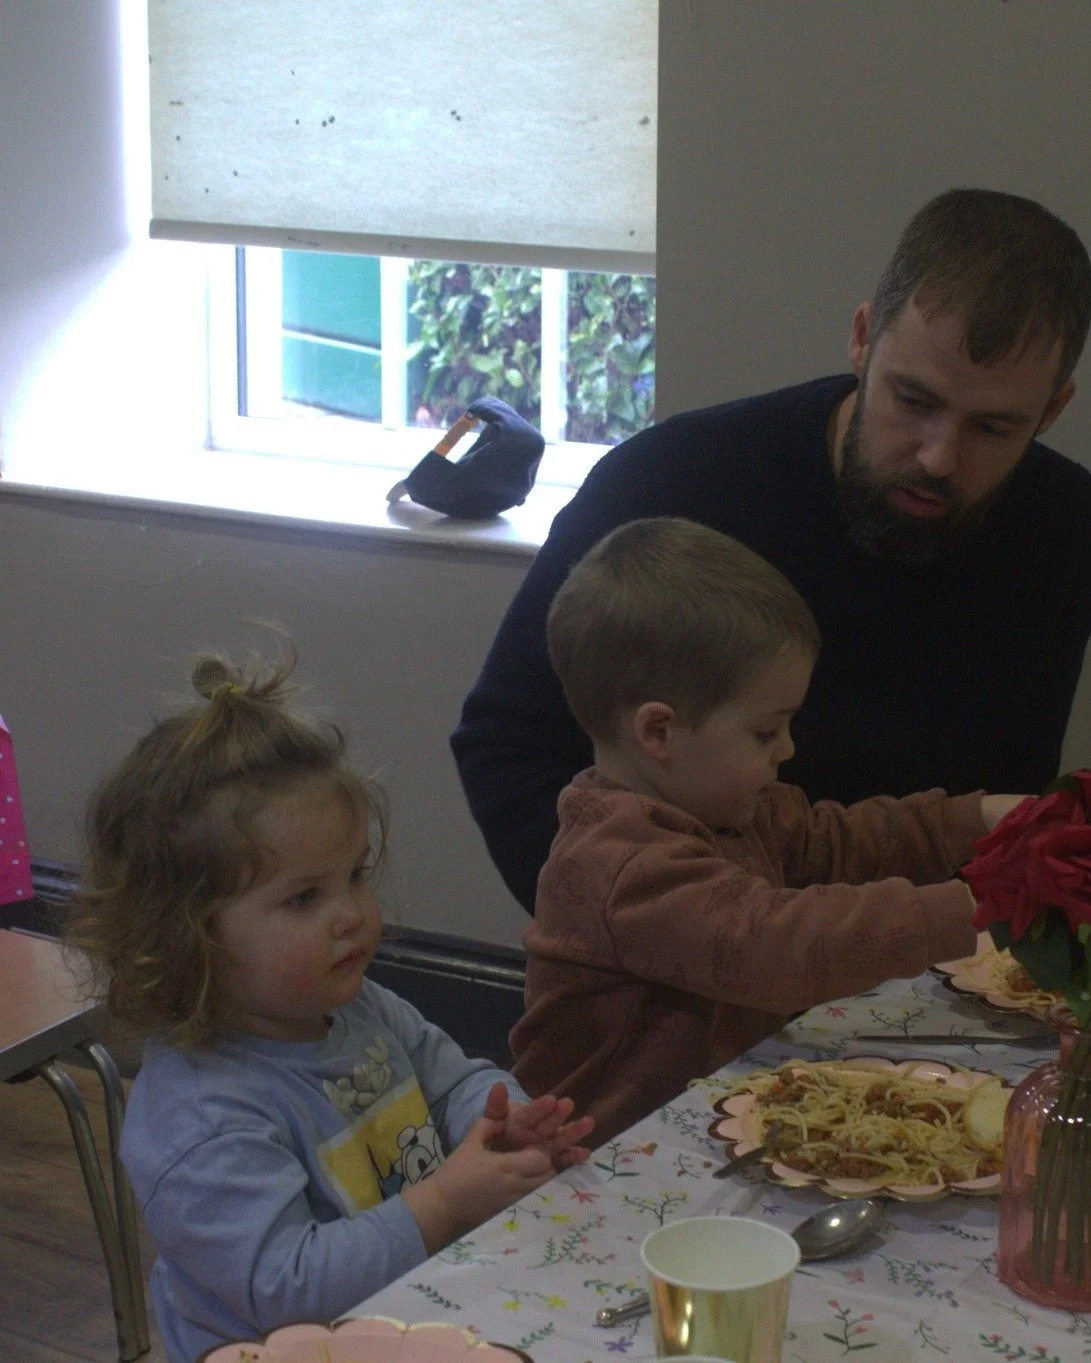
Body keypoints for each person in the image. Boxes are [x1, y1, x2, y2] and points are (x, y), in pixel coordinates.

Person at [451, 188, 1091, 913]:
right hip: (678, 969)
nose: (938, 457)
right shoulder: (673, 479)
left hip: (924, 975)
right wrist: (630, 936)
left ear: (1052, 410)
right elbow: (509, 744)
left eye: (992, 429)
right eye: (912, 401)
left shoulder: (1064, 529)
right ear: (861, 339)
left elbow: (1010, 801)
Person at [67, 648, 594, 1363]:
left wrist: (500, 1124)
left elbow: (454, 1079)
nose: (350, 913)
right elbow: (286, 1286)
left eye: (354, 875)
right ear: (186, 937)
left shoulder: (360, 1007)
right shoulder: (198, 1119)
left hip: (415, 1315)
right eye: (304, 897)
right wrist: (443, 1202)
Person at [509, 517, 1030, 1143]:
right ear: (659, 732)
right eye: (766, 730)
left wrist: (978, 818)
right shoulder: (619, 863)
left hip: (718, 1123)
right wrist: (978, 907)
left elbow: (840, 842)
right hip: (602, 1159)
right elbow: (772, 944)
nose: (786, 748)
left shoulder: (733, 807)